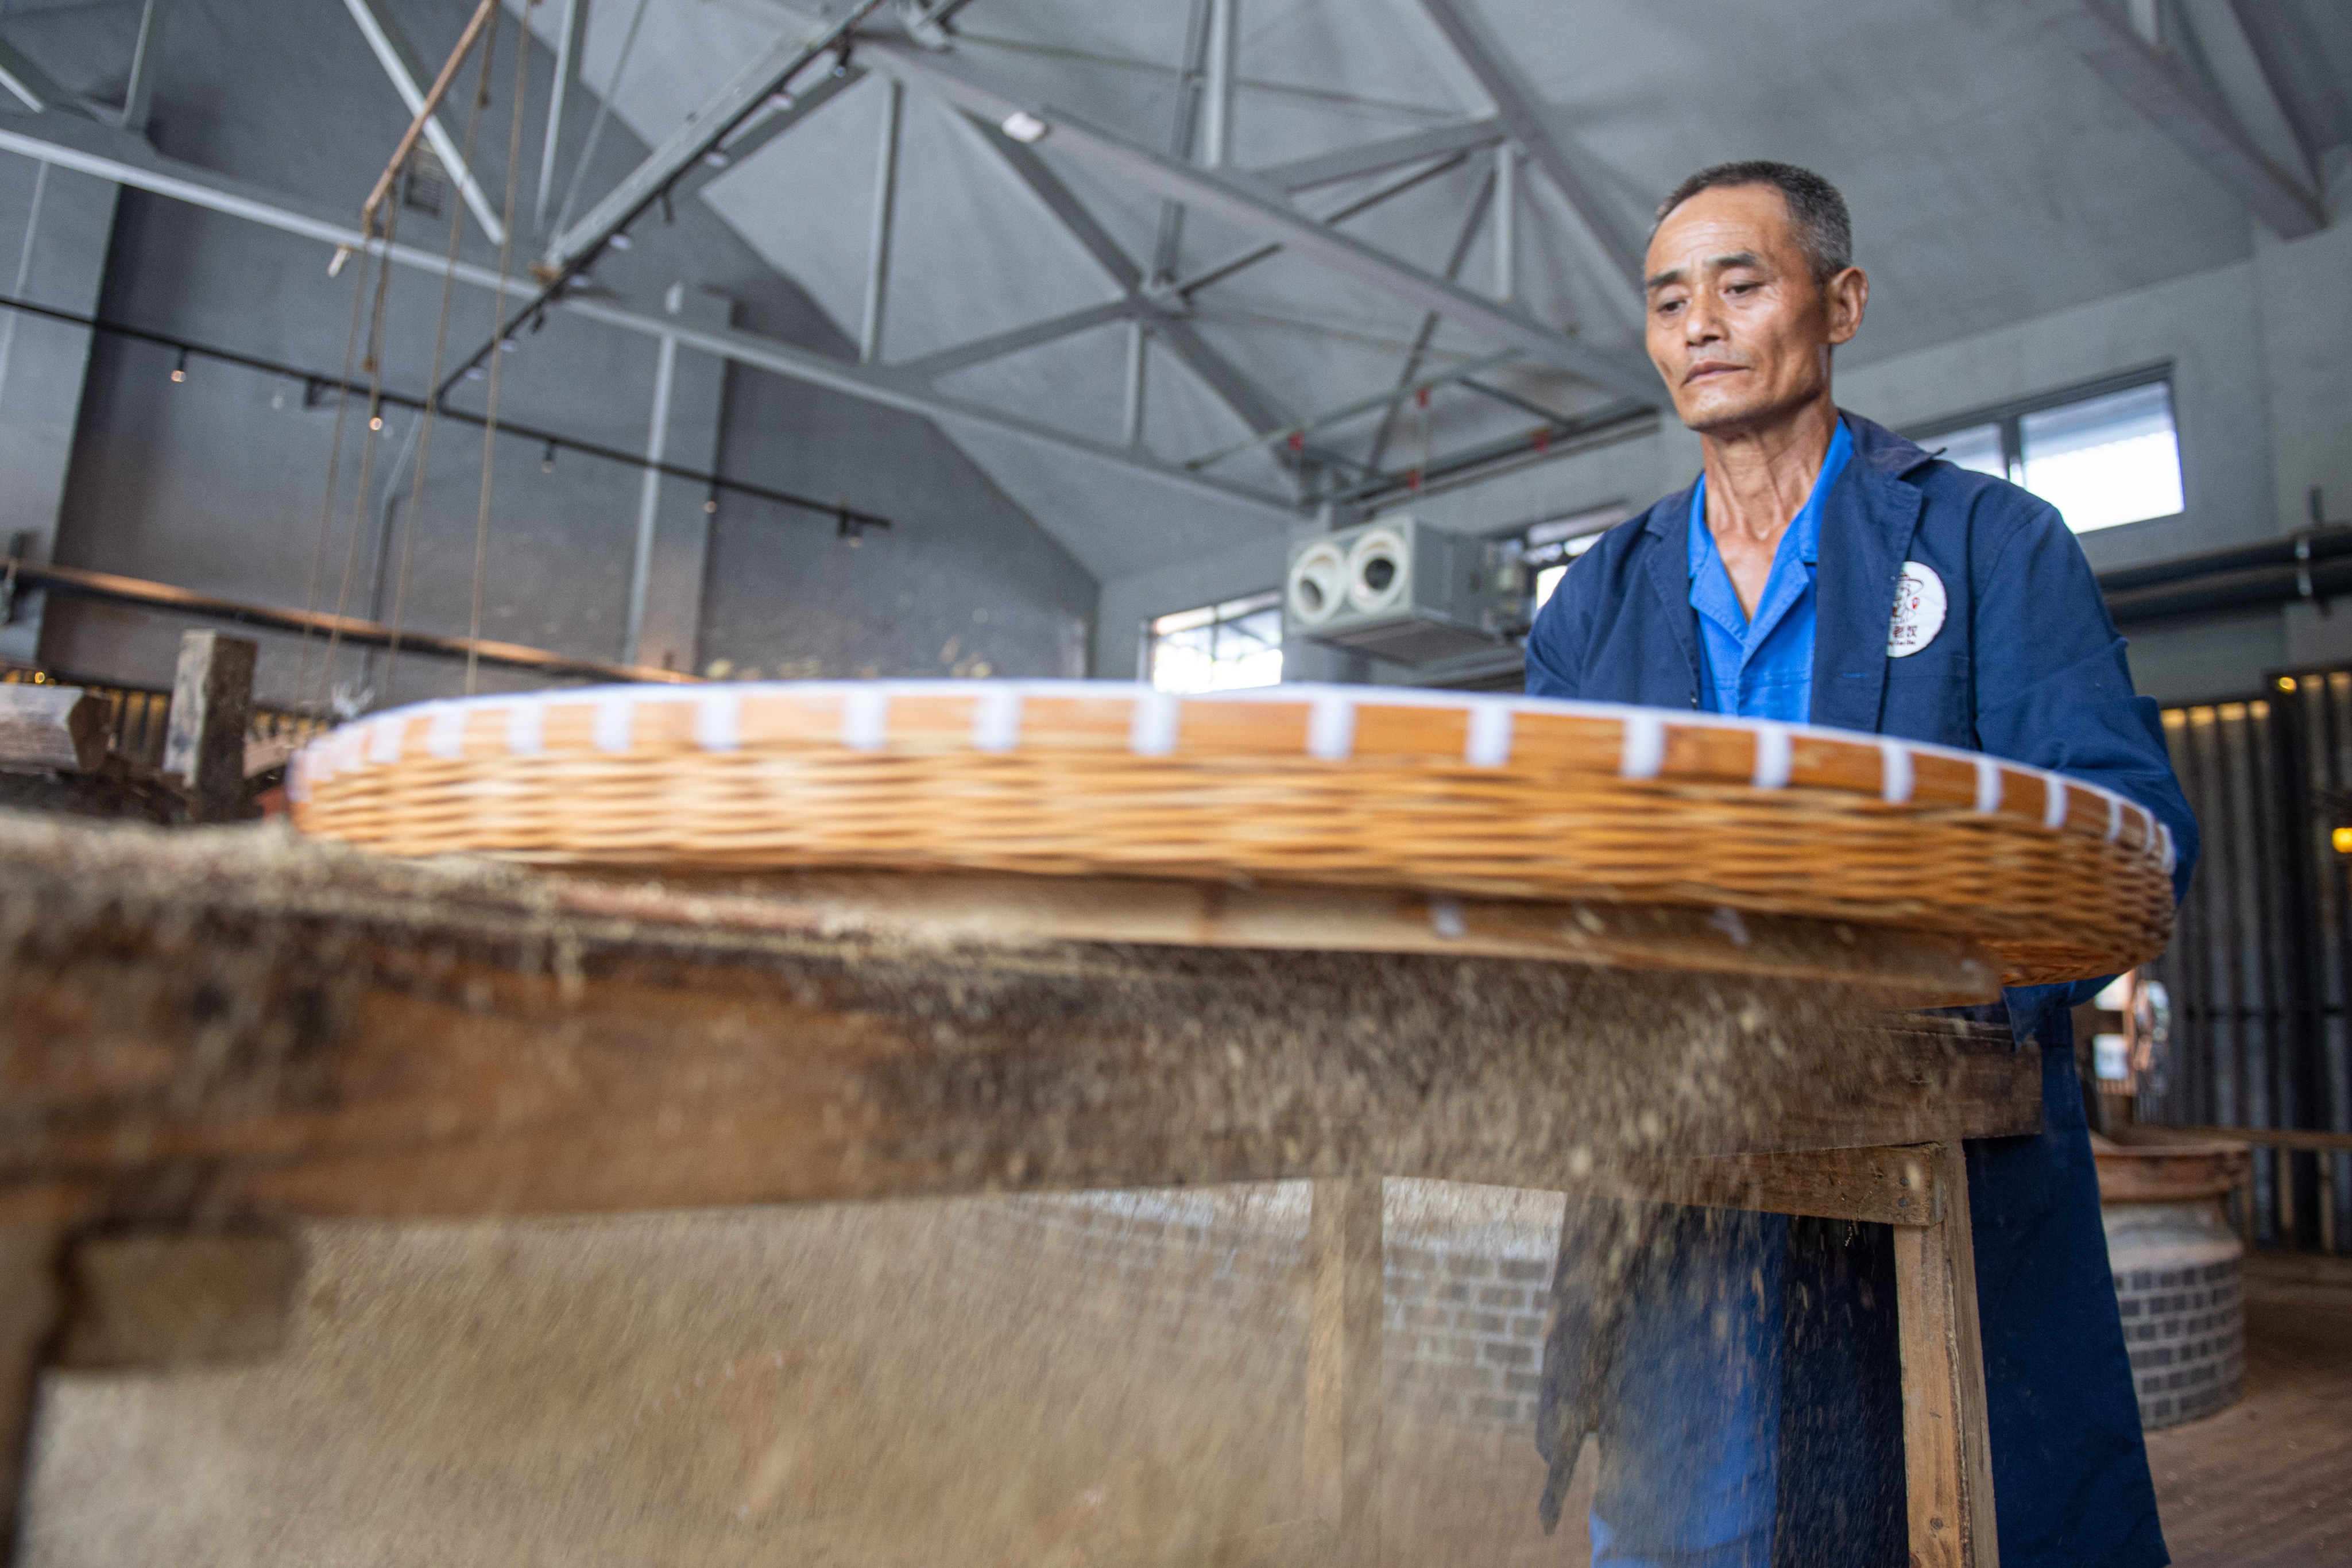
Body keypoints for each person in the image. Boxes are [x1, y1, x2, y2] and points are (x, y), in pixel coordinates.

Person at [1523, 161, 2199, 1568]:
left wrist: (1922, 984)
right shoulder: (1600, 598)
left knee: (1934, 1518)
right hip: (1681, 1190)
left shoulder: (1985, 545)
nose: (1697, 322)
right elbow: (1543, 858)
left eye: (1738, 282)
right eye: (1666, 297)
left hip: (1923, 1164)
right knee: (1685, 1531)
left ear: (1839, 304)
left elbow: (2132, 830)